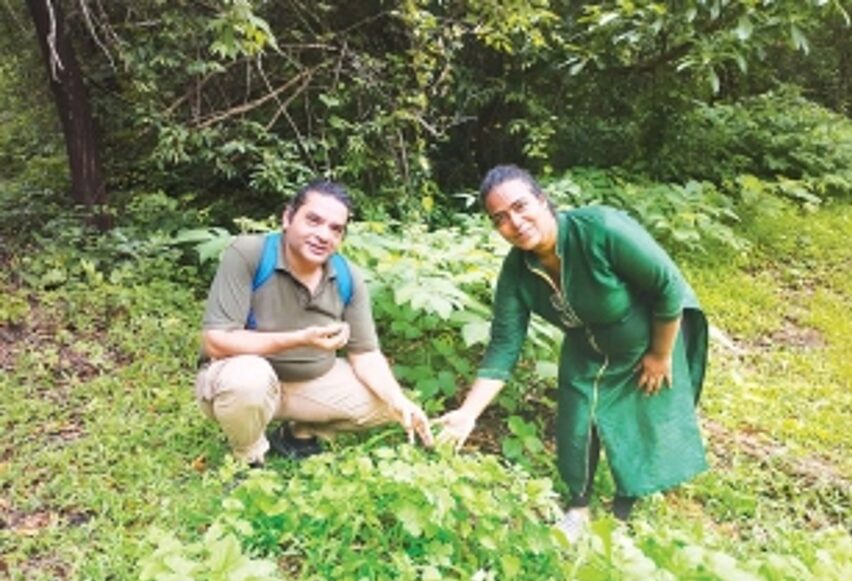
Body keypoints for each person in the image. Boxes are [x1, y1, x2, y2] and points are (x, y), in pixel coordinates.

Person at [436, 165, 708, 540]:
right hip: (586, 344)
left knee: (639, 415)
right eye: (500, 218)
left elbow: (668, 286)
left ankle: (625, 506)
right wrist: (468, 413)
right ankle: (578, 505)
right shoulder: (517, 271)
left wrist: (660, 355)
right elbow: (504, 345)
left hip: (649, 336)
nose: (514, 222)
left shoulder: (601, 230)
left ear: (542, 200)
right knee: (577, 423)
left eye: (520, 206)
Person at [196, 180, 432, 466]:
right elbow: (215, 341)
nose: (323, 235)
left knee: (389, 406)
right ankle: (249, 456)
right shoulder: (250, 253)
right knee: (249, 380)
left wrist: (399, 400)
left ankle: (300, 431)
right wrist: (300, 338)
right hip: (242, 377)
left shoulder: (348, 276)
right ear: (287, 218)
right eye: (314, 220)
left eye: (335, 229)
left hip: (307, 385)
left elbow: (365, 354)